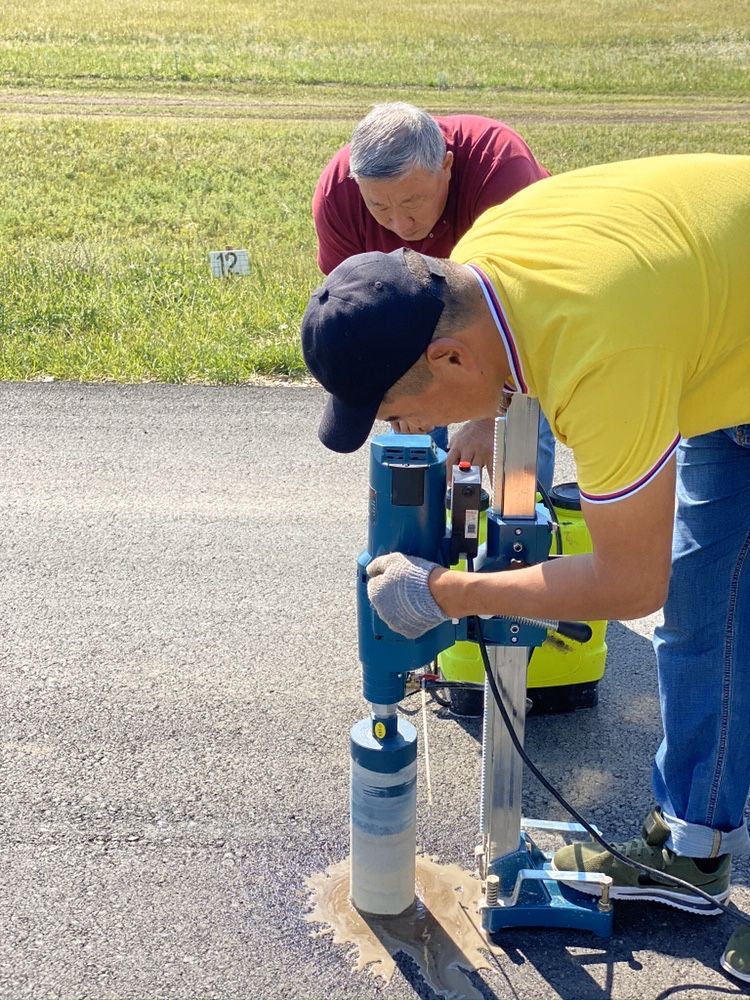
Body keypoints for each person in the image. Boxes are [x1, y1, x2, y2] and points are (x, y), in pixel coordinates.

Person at [300, 153, 750, 983]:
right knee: (707, 612)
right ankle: (697, 848)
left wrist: (450, 592)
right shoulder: (486, 259)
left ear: (450, 361)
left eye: (404, 415)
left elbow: (626, 583)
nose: (410, 433)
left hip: (700, 327)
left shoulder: (600, 351)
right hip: (722, 349)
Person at [312, 101, 555, 489]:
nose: (398, 223)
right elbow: (359, 318)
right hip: (412, 328)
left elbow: (526, 314)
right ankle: (420, 540)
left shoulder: (501, 169)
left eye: (412, 202)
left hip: (513, 312)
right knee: (410, 462)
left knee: (516, 459)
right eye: (378, 206)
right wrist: (397, 398)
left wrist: (487, 421)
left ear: (446, 165)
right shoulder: (337, 195)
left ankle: (522, 540)